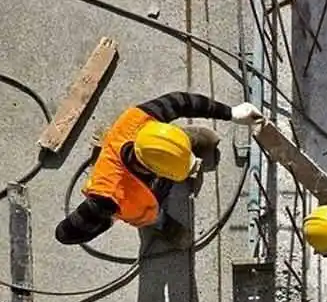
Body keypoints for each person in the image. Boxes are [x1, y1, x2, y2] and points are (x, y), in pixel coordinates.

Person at [55, 92, 265, 248]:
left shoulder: (138, 120)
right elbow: (64, 234)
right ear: (154, 170)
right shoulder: (107, 197)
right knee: (151, 216)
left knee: (210, 139)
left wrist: (230, 113)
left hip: (164, 143)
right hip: (144, 208)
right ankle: (160, 223)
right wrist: (108, 220)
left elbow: (182, 102)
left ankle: (185, 140)